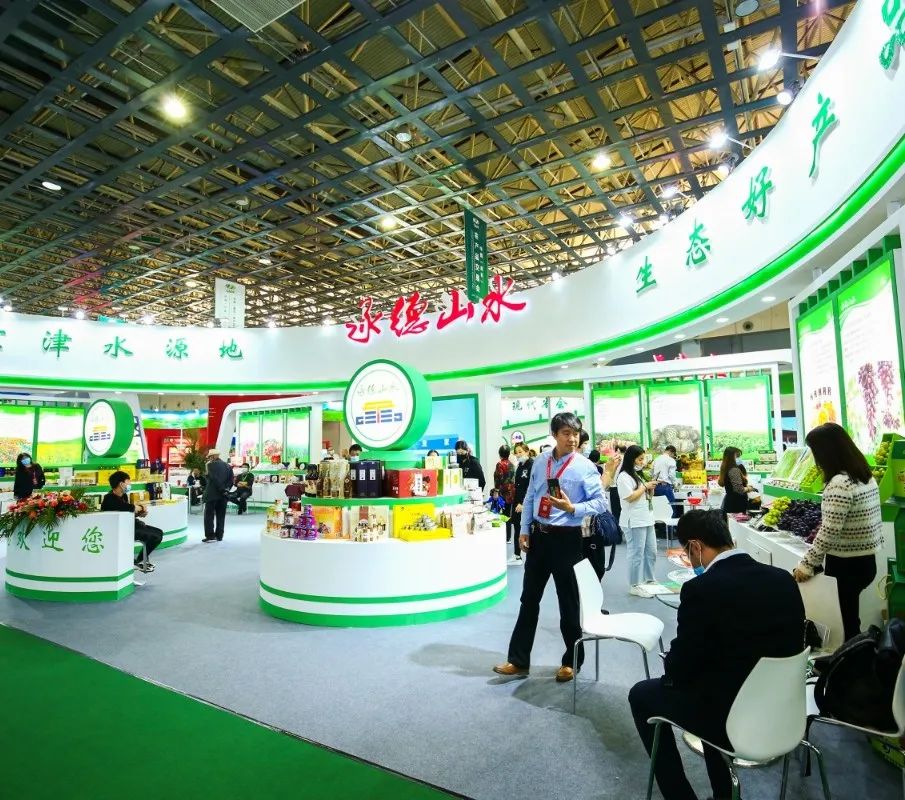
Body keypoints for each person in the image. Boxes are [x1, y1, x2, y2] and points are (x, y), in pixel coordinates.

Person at [629, 510, 805, 800]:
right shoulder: (783, 579)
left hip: (727, 718)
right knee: (713, 684)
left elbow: (681, 668)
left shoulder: (701, 589)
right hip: (785, 712)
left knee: (641, 695)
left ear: (695, 546)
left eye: (687, 553)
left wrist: (671, 662)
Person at [493, 412, 606, 683]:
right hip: (539, 538)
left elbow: (601, 502)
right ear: (554, 435)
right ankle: (518, 660)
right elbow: (531, 496)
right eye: (566, 433)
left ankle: (571, 661)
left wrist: (573, 507)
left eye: (575, 433)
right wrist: (523, 529)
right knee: (528, 599)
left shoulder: (584, 467)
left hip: (568, 539)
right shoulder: (541, 461)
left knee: (568, 601)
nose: (572, 439)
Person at [793, 422, 884, 641]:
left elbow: (829, 531)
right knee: (850, 617)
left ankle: (854, 658)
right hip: (866, 561)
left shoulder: (839, 484)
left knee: (845, 624)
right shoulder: (865, 476)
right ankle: (857, 653)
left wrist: (807, 564)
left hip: (846, 565)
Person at [101, 470, 163, 573]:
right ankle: (138, 561)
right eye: (128, 482)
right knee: (156, 536)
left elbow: (128, 512)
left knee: (159, 533)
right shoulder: (109, 498)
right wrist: (139, 508)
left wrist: (139, 513)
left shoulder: (123, 496)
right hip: (120, 530)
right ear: (121, 484)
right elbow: (129, 507)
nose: (130, 484)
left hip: (130, 525)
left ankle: (139, 561)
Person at [618, 445, 659, 597]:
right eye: (640, 459)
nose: (643, 462)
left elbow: (646, 496)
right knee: (636, 553)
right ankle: (634, 584)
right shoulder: (624, 476)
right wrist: (645, 487)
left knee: (651, 551)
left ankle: (649, 580)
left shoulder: (638, 474)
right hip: (634, 520)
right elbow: (629, 497)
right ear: (632, 459)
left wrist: (650, 488)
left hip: (647, 518)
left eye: (643, 459)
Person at [510, 442, 534, 564]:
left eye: (520, 452)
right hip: (517, 501)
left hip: (526, 503)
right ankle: (517, 555)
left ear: (527, 451)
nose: (518, 454)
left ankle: (530, 556)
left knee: (527, 530)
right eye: (516, 452)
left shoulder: (532, 465)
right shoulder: (519, 465)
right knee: (517, 527)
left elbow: (531, 487)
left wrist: (524, 504)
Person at [203, 449, 233, 543]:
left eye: (209, 457)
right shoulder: (228, 466)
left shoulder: (209, 465)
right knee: (221, 516)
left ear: (213, 456)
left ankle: (210, 536)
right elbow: (231, 481)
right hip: (223, 496)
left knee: (209, 516)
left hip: (212, 494)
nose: (209, 458)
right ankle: (219, 535)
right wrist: (226, 490)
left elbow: (214, 478)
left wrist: (221, 489)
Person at [494, 444, 516, 542]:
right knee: (507, 515)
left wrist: (496, 491)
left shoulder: (500, 464)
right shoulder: (512, 464)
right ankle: (508, 537)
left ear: (500, 454)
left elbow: (498, 479)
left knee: (499, 513)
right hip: (511, 493)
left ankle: (501, 535)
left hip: (502, 493)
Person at [652, 445, 680, 518]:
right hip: (665, 487)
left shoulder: (656, 459)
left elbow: (651, 472)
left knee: (659, 510)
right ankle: (671, 525)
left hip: (654, 487)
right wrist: (675, 484)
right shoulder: (671, 460)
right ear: (672, 452)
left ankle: (661, 525)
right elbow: (671, 475)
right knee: (671, 509)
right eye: (673, 455)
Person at [718, 446, 747, 514]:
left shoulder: (725, 468)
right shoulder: (733, 470)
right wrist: (749, 488)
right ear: (731, 457)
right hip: (736, 504)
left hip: (730, 502)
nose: (739, 458)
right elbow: (739, 489)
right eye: (737, 456)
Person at [608, 445, 625, 522]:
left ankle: (617, 527)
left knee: (616, 512)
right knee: (623, 510)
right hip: (623, 487)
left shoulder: (614, 458)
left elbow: (609, 475)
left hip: (614, 487)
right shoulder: (627, 459)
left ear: (618, 450)